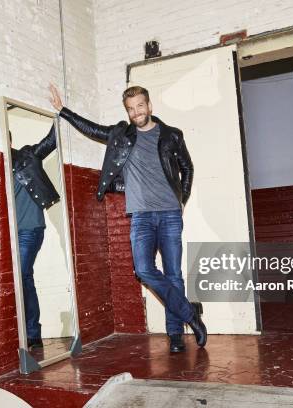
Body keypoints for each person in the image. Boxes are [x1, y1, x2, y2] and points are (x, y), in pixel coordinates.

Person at [49, 84, 207, 353]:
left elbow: (187, 167)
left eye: (140, 106)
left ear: (150, 106)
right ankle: (190, 315)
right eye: (131, 109)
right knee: (143, 270)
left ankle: (175, 335)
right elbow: (93, 129)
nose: (136, 113)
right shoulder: (121, 134)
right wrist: (63, 111)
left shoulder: (171, 135)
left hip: (169, 213)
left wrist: (182, 200)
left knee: (173, 274)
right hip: (141, 216)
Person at [10, 125, 59, 348]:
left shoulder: (26, 157)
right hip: (9, 234)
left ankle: (32, 332)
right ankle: (30, 333)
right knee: (23, 279)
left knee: (22, 275)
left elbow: (51, 141)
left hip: (30, 229)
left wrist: (60, 112)